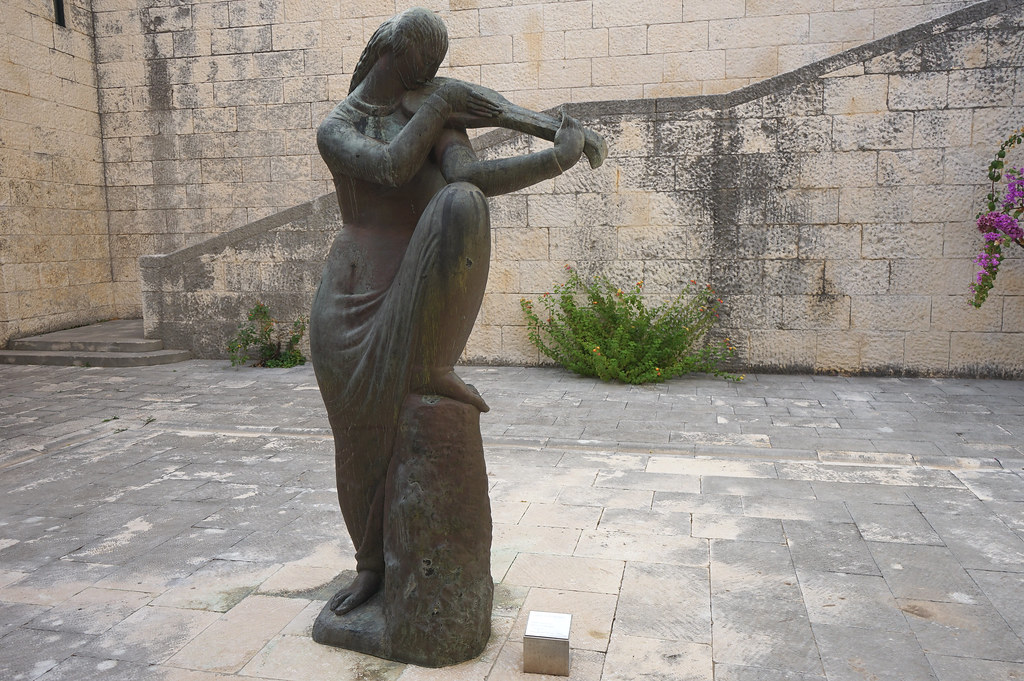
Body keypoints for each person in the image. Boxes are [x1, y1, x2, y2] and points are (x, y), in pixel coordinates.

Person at [310, 7, 589, 617]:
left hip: (414, 278)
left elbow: (472, 179)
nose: (427, 87)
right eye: (421, 75)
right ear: (390, 59)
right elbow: (389, 168)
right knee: (357, 441)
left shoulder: (428, 115)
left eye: (433, 80)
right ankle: (370, 566)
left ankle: (433, 362)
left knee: (463, 203)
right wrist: (443, 103)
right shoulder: (338, 127)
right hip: (350, 300)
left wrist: (555, 155)